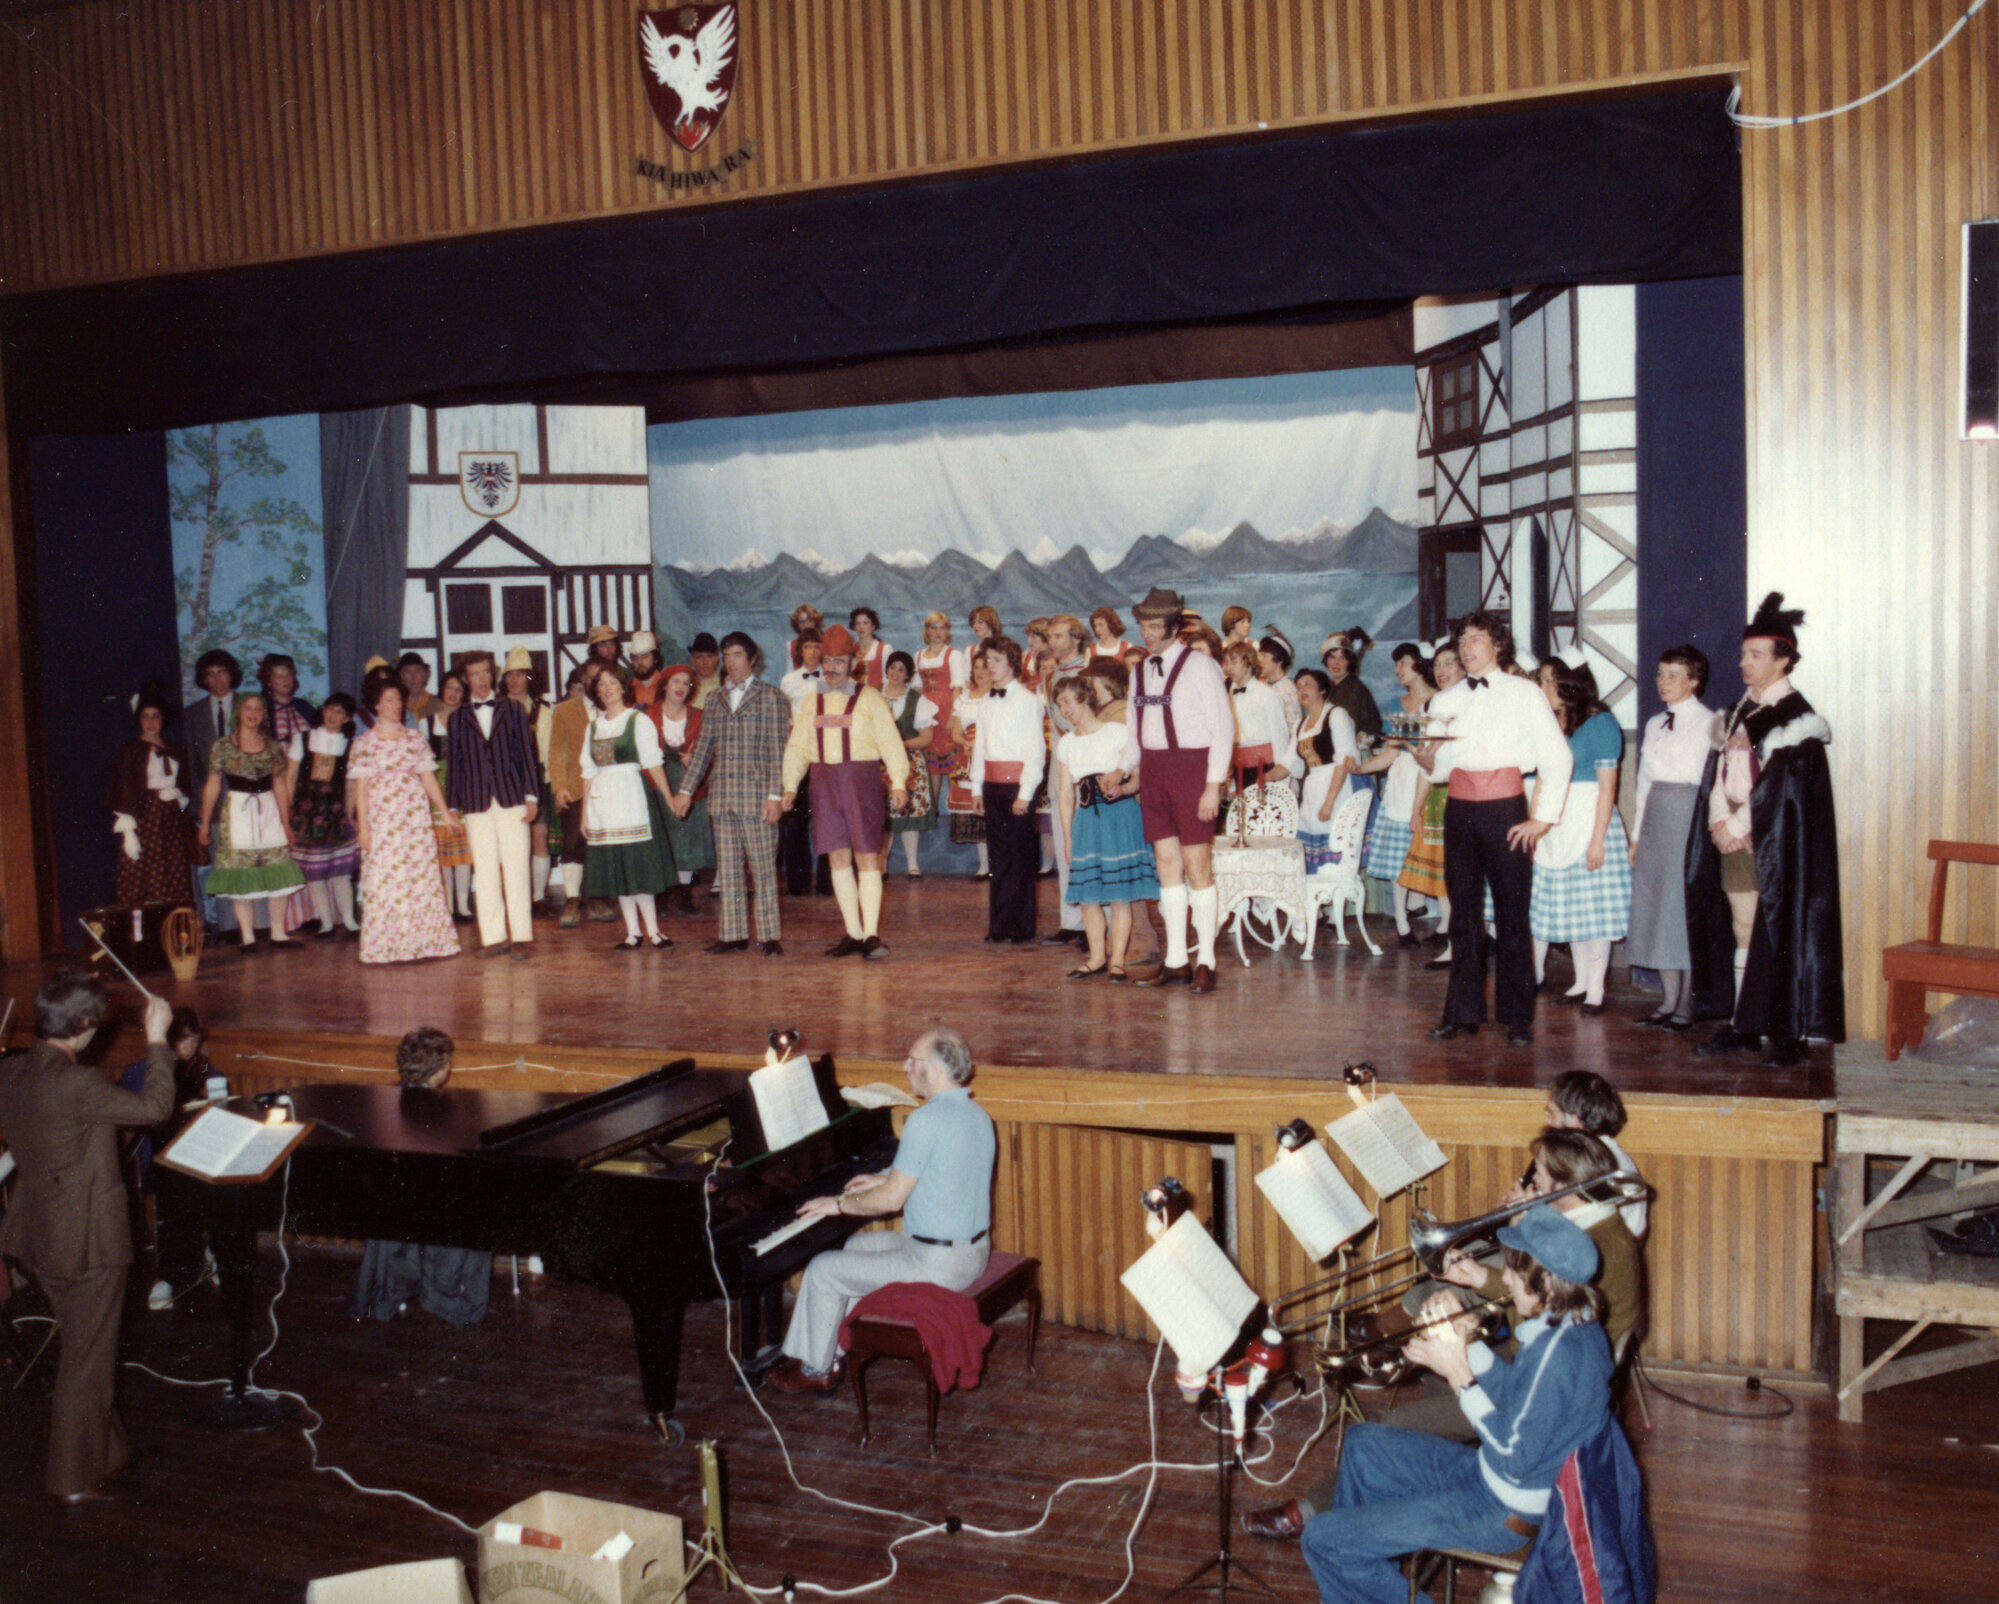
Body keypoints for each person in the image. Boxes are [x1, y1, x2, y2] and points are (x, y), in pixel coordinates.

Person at [1288, 1206, 1617, 1598]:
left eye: (1513, 1270)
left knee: (1324, 1540)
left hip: (1500, 1509)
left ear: (1544, 1279)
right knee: (1364, 1445)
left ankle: (1355, 1572)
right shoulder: (1569, 1324)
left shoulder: (1557, 1356)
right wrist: (1466, 1343)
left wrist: (1459, 1377)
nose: (1505, 1280)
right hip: (1489, 1478)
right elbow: (1518, 1395)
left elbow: (1514, 1455)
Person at [0, 974, 175, 1502]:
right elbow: (156, 1108)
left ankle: (106, 1452)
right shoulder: (82, 1085)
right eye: (94, 1022)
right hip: (87, 1245)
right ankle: (73, 1481)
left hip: (39, 1237)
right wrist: (159, 1039)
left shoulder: (12, 1071)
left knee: (85, 1349)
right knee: (86, 1361)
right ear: (80, 1026)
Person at [765, 1027, 996, 1396]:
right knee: (854, 1249)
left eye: (913, 1061)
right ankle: (833, 1350)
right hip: (969, 1252)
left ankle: (815, 1369)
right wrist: (880, 1177)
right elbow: (931, 1168)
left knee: (824, 1269)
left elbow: (891, 1202)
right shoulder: (976, 1115)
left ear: (936, 1070)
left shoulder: (926, 1120)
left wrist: (837, 1204)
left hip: (936, 1264)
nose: (905, 1067)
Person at [1689, 593, 1845, 1069]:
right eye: (1742, 654)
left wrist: (1737, 824)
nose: (1744, 663)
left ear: (1784, 660)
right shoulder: (1742, 710)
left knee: (1773, 928)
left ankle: (1782, 1029)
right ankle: (1744, 1024)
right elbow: (1722, 772)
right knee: (1742, 925)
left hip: (1771, 834)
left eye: (1756, 655)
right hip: (1734, 827)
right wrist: (1719, 820)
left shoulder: (1796, 718)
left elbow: (1779, 789)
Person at [1418, 612, 1571, 1047]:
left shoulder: (1525, 693)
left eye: (1476, 639)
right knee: (1463, 918)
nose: (1466, 648)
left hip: (1506, 809)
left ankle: (1516, 1017)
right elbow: (1437, 770)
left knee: (1512, 916)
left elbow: (1557, 758)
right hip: (1460, 810)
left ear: (1498, 645)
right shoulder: (1444, 701)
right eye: (1462, 640)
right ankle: (1462, 1013)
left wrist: (1542, 819)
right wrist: (1422, 757)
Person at [1107, 588, 1234, 993]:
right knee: (1167, 867)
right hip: (1157, 772)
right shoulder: (1139, 671)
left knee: (1197, 867)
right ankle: (1177, 959)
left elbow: (1223, 731)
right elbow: (1134, 733)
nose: (1146, 632)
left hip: (1193, 770)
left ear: (1174, 626)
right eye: (1142, 624)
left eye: (1154, 625)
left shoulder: (1201, 666)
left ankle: (1206, 962)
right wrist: (1120, 769)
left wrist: (1213, 786)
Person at [344, 1029, 493, 1325]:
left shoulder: (384, 1102)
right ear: (439, 1071)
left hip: (389, 1203)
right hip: (434, 1208)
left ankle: (396, 1288)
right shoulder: (449, 1108)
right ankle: (448, 1296)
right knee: (478, 1206)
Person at [781, 623, 909, 958]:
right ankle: (852, 932)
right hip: (824, 784)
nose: (832, 667)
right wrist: (791, 784)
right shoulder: (811, 702)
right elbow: (797, 747)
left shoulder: (870, 699)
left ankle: (871, 935)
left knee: (867, 857)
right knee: (837, 857)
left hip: (861, 782)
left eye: (839, 661)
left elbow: (891, 744)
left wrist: (897, 781)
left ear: (853, 663)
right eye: (827, 660)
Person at [675, 631, 791, 957]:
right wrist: (686, 790)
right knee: (729, 870)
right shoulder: (714, 699)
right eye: (726, 656)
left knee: (764, 870)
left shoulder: (771, 697)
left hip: (758, 799)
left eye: (737, 655)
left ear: (752, 659)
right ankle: (734, 934)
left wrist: (774, 796)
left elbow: (778, 753)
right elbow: (703, 751)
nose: (730, 662)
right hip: (723, 798)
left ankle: (769, 936)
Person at [1529, 661, 1632, 1013]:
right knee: (1574, 907)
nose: (1542, 686)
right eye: (1540, 680)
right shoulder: (1552, 724)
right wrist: (1535, 823)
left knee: (1595, 909)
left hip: (1589, 819)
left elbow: (1607, 792)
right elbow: (1543, 780)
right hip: (1558, 822)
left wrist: (1598, 840)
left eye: (1549, 680)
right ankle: (1580, 982)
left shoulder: (1600, 723)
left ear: (1570, 683)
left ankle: (1596, 990)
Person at [1624, 646, 1716, 1032]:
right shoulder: (1653, 725)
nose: (1663, 682)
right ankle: (1666, 1000)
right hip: (1656, 820)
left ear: (1694, 680)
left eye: (1673, 675)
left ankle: (1686, 1005)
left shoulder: (1711, 723)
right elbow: (1643, 781)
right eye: (1660, 674)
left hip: (1688, 818)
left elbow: (1710, 784)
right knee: (1656, 910)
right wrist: (1636, 834)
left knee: (1679, 912)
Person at [349, 672, 462, 964]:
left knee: (420, 878)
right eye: (388, 700)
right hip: (383, 823)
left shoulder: (415, 738)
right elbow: (361, 791)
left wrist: (445, 812)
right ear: (376, 704)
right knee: (387, 879)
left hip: (415, 822)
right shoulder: (364, 743)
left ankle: (427, 943)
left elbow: (429, 779)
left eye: (398, 699)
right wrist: (363, 829)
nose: (396, 704)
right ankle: (389, 947)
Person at [1052, 676, 1159, 980]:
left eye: (1068, 701)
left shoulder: (1117, 732)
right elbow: (1065, 794)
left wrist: (1123, 790)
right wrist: (1069, 837)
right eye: (1060, 704)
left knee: (1120, 894)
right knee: (1087, 895)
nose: (1064, 709)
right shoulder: (1067, 743)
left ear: (1086, 699)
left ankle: (1117, 961)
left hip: (1121, 817)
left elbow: (1138, 778)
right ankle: (1097, 958)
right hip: (1087, 821)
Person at [445, 648, 541, 959]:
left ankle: (521, 937)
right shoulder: (457, 718)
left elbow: (527, 756)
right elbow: (455, 765)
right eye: (474, 674)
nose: (482, 679)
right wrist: (452, 807)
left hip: (512, 798)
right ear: (465, 678)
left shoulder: (513, 709)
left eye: (486, 672)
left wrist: (531, 796)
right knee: (485, 871)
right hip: (475, 803)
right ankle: (494, 937)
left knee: (516, 867)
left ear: (493, 673)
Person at [197, 692, 306, 949]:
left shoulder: (271, 745)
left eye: (258, 708)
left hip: (267, 809)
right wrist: (204, 822)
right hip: (238, 812)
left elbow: (279, 784)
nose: (253, 713)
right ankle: (247, 937)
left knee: (278, 869)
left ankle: (277, 933)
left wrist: (285, 821)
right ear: (239, 712)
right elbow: (212, 784)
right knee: (240, 872)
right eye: (248, 707)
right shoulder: (222, 745)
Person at [579, 664, 677, 951]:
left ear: (623, 687)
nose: (606, 689)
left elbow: (653, 762)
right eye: (601, 685)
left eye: (612, 683)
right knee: (618, 866)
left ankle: (654, 931)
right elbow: (587, 772)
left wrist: (669, 799)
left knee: (638, 865)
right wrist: (584, 813)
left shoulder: (638, 721)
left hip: (631, 797)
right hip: (603, 803)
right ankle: (632, 933)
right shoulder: (593, 727)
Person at [1351, 644, 1437, 944]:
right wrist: (1362, 768)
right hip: (1402, 783)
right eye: (1396, 664)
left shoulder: (1440, 701)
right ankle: (1402, 923)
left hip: (1433, 782)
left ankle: (1441, 925)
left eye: (1403, 662)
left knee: (1432, 854)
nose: (1398, 669)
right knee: (1401, 856)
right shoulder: (1395, 704)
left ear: (1420, 664)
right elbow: (1391, 753)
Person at [969, 636, 1046, 945]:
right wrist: (976, 787)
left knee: (1021, 858)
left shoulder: (1028, 701)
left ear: (1012, 663)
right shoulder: (986, 700)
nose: (990, 666)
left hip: (1017, 788)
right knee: (998, 858)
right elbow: (979, 747)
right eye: (987, 661)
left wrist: (1025, 793)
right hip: (992, 785)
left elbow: (1035, 751)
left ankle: (1021, 927)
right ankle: (999, 925)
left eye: (996, 660)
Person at [106, 687, 194, 908]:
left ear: (163, 719)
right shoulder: (131, 750)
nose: (151, 722)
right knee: (144, 875)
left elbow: (186, 783)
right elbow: (123, 788)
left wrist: (179, 794)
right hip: (145, 820)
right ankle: (143, 935)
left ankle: (174, 932)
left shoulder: (175, 748)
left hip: (171, 820)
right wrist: (128, 832)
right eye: (145, 716)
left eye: (156, 716)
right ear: (139, 719)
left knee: (173, 872)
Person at [1402, 644, 1461, 967]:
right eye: (1438, 663)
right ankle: (1454, 945)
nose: (1442, 669)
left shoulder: (1475, 702)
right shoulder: (1435, 706)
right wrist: (1416, 809)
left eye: (1450, 662)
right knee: (1444, 880)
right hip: (1438, 801)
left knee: (1464, 879)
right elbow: (1427, 764)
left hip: (1470, 795)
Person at [1038, 615, 1094, 949]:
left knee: (1088, 845)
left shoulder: (1089, 674)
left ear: (1076, 638)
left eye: (1058, 636)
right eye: (1050, 636)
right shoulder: (1051, 677)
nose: (1052, 642)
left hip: (1086, 766)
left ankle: (1095, 922)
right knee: (1063, 846)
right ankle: (1071, 920)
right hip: (1062, 767)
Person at [287, 692, 361, 939]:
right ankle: (326, 922)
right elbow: (290, 777)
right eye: (330, 708)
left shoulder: (351, 745)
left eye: (340, 711)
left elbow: (351, 785)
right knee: (314, 873)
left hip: (336, 814)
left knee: (341, 871)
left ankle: (349, 921)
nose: (333, 715)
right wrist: (287, 810)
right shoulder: (303, 738)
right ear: (323, 710)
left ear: (347, 718)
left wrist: (351, 815)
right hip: (307, 815)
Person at [1544, 1070, 1648, 1238]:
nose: (1547, 1121)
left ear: (1574, 1120)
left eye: (1551, 1113)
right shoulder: (1593, 1154)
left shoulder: (1596, 1165)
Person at [183, 648, 243, 928]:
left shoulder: (251, 705)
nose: (217, 679)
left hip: (250, 799)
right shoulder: (193, 715)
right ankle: (230, 926)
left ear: (232, 674)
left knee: (253, 861)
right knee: (222, 865)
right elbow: (194, 767)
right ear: (203, 680)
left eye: (222, 672)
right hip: (214, 802)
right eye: (210, 674)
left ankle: (261, 925)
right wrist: (200, 808)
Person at [648, 662, 713, 917]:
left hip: (689, 783)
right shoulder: (647, 713)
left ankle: (684, 894)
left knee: (686, 836)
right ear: (664, 685)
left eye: (686, 683)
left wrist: (696, 760)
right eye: (676, 681)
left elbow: (710, 751)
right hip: (657, 782)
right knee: (660, 837)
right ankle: (661, 893)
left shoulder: (698, 715)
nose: (681, 687)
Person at [1296, 670, 1362, 879]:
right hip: (1313, 787)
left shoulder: (1336, 714)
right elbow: (1289, 762)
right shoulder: (1302, 724)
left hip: (1336, 786)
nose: (1302, 690)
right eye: (1298, 686)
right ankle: (1318, 906)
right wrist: (1264, 779)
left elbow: (1343, 760)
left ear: (1323, 689)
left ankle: (1335, 907)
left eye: (1308, 684)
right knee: (1310, 841)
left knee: (1334, 842)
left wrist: (1329, 801)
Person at [545, 662, 596, 927]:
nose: (594, 682)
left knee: (601, 845)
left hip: (607, 789)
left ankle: (598, 897)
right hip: (575, 787)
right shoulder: (564, 710)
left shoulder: (614, 707)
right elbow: (555, 751)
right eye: (589, 677)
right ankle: (572, 900)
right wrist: (559, 787)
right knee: (573, 844)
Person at [423, 669, 476, 925]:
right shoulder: (427, 722)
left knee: (464, 851)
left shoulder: (470, 719)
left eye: (459, 689)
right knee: (443, 852)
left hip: (464, 789)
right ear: (441, 690)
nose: (453, 693)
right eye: (449, 688)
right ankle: (446, 905)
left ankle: (464, 906)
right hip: (437, 790)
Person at [881, 650, 938, 878]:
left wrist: (899, 746)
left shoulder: (917, 700)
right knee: (882, 815)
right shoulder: (873, 695)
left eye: (901, 670)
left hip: (910, 762)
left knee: (909, 814)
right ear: (886, 670)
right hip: (879, 764)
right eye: (892, 668)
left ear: (908, 675)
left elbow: (927, 737)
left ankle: (912, 865)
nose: (895, 673)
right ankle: (881, 864)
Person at [945, 648, 995, 877]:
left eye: (985, 667)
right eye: (976, 668)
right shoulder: (964, 698)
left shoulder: (998, 695)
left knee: (995, 809)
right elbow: (955, 731)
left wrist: (982, 743)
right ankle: (984, 865)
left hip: (993, 754)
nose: (980, 672)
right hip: (968, 755)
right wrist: (965, 742)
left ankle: (999, 864)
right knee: (977, 812)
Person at [1223, 641, 1292, 793]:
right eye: (1226, 663)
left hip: (1265, 769)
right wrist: (1232, 783)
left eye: (1234, 662)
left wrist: (1282, 782)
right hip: (1239, 769)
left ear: (1248, 662)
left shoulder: (1268, 694)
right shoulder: (1227, 696)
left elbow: (1280, 738)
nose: (1229, 668)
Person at [1321, 634, 1383, 741]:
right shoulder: (1330, 687)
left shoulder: (1355, 689)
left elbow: (1350, 729)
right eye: (1332, 657)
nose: (1336, 663)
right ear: (1326, 661)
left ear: (1349, 662)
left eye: (1342, 658)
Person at [257, 653, 316, 757]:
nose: (286, 680)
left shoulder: (304, 706)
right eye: (279, 676)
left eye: (289, 674)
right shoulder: (263, 709)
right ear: (269, 682)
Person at [849, 607, 892, 690]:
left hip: (875, 698)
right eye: (857, 623)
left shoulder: (884, 649)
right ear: (854, 627)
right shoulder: (849, 649)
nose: (861, 627)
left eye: (865, 623)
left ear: (873, 626)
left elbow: (888, 679)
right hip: (852, 698)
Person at [397, 652, 440, 722]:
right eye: (408, 672)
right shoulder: (397, 704)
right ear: (401, 676)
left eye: (418, 671)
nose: (413, 677)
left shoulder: (437, 704)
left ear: (425, 675)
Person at [688, 632, 723, 710]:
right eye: (699, 657)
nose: (705, 662)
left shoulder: (723, 685)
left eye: (709, 657)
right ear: (693, 660)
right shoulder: (686, 685)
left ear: (717, 660)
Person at [785, 604, 825, 671]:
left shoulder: (828, 640)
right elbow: (789, 672)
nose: (806, 625)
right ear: (797, 624)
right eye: (801, 622)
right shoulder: (791, 645)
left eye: (809, 621)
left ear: (816, 621)